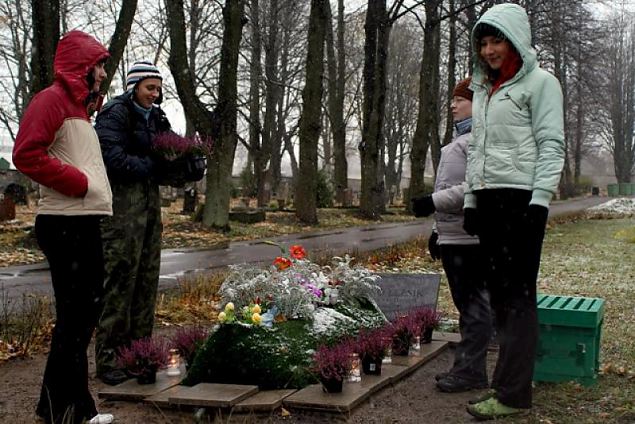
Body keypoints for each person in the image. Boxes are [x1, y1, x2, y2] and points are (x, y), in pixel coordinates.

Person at [462, 3, 565, 420]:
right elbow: (477, 151)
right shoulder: (484, 89)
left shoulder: (541, 83)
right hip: (488, 201)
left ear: (515, 39)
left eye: (496, 40)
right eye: (483, 42)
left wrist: (539, 201)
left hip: (520, 201)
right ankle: (504, 386)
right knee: (501, 299)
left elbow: (551, 145)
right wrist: (471, 200)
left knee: (518, 299)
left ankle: (513, 394)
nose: (489, 50)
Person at [12, 30, 114, 424]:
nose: (103, 73)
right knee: (77, 320)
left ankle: (53, 407)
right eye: (99, 66)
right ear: (81, 68)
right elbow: (25, 153)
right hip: (64, 223)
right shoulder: (51, 100)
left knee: (81, 318)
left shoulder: (80, 110)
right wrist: (79, 182)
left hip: (81, 223)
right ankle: (75, 411)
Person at [411, 78, 493, 393]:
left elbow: (475, 188)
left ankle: (471, 372)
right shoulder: (461, 140)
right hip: (453, 237)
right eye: (453, 100)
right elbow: (447, 187)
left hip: (469, 239)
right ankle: (466, 366)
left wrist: (431, 204)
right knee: (467, 306)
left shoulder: (479, 140)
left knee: (474, 307)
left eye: (460, 100)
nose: (452, 105)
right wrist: (436, 231)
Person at [93, 61, 172, 385]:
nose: (155, 94)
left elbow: (168, 153)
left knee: (145, 282)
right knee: (119, 283)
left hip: (150, 211)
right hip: (120, 212)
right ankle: (109, 358)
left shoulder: (157, 118)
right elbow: (109, 155)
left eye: (157, 88)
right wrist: (148, 165)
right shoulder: (115, 113)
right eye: (149, 88)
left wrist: (186, 163)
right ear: (134, 86)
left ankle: (139, 355)